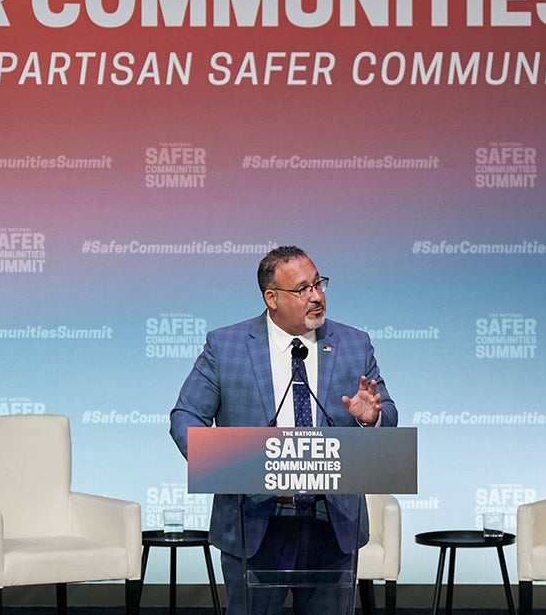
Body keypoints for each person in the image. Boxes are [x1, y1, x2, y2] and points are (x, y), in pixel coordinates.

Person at [170, 245, 397, 615]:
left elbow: (385, 410)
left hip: (331, 522)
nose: (317, 296)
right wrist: (222, 461)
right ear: (271, 298)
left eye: (319, 283)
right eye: (303, 289)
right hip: (255, 521)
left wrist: (369, 418)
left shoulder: (354, 344)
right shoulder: (226, 346)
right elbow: (185, 416)